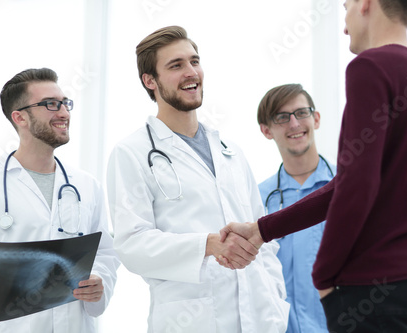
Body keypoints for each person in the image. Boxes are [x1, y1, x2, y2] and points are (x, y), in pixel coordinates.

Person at [220, 0, 407, 332]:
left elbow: (356, 186)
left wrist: (323, 277)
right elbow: (349, 184)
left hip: (370, 295)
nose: (344, 23)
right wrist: (262, 230)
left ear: (365, 4)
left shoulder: (370, 67)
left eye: (345, 6)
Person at [106, 26, 289, 333]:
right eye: (176, 65)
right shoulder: (132, 153)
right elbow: (130, 244)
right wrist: (206, 245)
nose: (191, 72)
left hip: (260, 319)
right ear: (150, 81)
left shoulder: (230, 151)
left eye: (194, 61)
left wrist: (276, 302)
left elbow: (262, 235)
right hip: (190, 320)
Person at [0, 68, 120, 333]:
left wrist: (100, 280)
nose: (64, 113)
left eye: (64, 103)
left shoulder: (86, 186)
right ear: (20, 117)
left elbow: (105, 253)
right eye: (51, 104)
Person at [257, 83, 335, 333]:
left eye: (301, 113)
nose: (294, 124)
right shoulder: (257, 199)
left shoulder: (350, 188)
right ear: (266, 130)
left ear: (316, 119)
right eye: (282, 117)